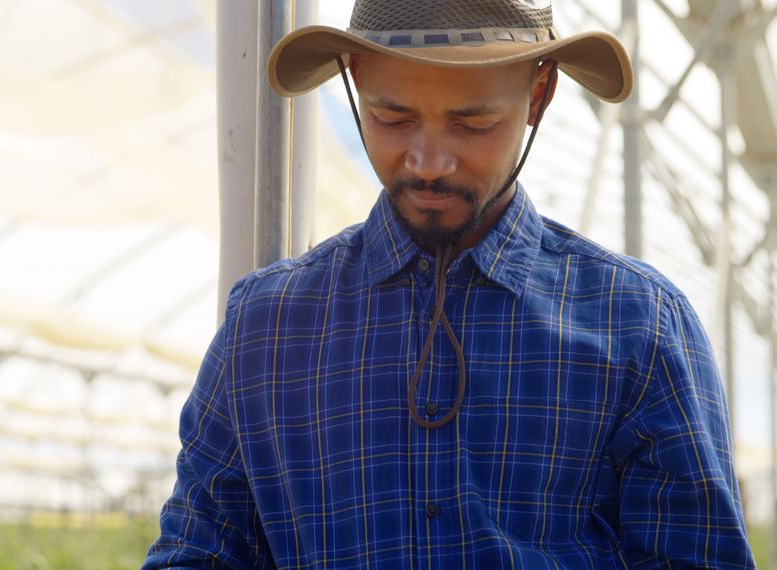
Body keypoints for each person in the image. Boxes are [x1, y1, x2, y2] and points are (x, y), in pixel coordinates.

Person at [144, 0, 756, 567]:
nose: (428, 161)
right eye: (393, 117)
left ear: (539, 94)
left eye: (472, 123)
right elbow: (198, 550)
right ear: (355, 82)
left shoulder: (638, 325)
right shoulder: (266, 327)